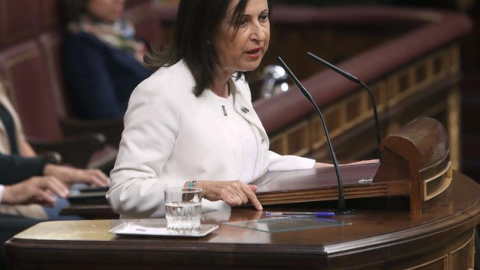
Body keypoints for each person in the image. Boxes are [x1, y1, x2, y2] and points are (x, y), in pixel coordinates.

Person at [107, 0, 373, 218]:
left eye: (263, 17)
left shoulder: (235, 82)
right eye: (242, 22)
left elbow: (254, 162)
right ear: (205, 30)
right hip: (178, 249)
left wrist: (338, 171)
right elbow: (125, 191)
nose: (259, 33)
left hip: (236, 238)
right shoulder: (161, 93)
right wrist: (199, 189)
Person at [0, 80, 110, 219]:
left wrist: (44, 178)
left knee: (99, 195)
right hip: (9, 199)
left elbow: (19, 140)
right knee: (80, 213)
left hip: (25, 183)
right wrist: (46, 169)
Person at [62, 0, 154, 120]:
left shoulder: (121, 32)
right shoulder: (83, 44)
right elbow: (106, 114)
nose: (119, 1)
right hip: (136, 127)